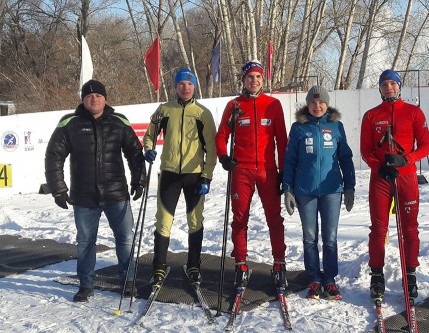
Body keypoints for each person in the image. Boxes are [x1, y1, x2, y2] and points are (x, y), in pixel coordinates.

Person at [45, 79, 146, 302]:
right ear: (83, 99)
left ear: (105, 98)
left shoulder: (118, 121)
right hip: (84, 197)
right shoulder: (69, 123)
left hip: (116, 194)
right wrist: (58, 189)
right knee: (85, 242)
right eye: (89, 96)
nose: (94, 99)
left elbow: (135, 153)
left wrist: (139, 180)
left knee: (125, 239)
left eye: (98, 95)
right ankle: (86, 285)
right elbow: (54, 157)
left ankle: (128, 281)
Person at [215, 60, 288, 289]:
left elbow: (282, 142)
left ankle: (279, 264)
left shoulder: (273, 105)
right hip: (242, 172)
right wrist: (223, 157)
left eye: (258, 77)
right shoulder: (234, 105)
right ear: (243, 80)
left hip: (267, 171)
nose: (254, 81)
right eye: (250, 77)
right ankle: (241, 265)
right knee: (239, 220)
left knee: (274, 220)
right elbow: (221, 136)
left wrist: (284, 173)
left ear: (262, 79)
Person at [360, 69, 429, 300]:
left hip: (406, 177)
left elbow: (425, 146)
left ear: (399, 86)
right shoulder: (371, 115)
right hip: (381, 178)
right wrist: (378, 166)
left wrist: (406, 159)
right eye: (384, 84)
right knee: (378, 229)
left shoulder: (414, 112)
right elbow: (366, 150)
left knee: (410, 228)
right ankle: (377, 275)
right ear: (379, 88)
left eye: (393, 83)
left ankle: (410, 274)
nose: (389, 87)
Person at [143, 68, 216, 287]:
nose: (185, 88)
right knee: (163, 222)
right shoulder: (164, 109)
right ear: (175, 87)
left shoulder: (203, 113)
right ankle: (159, 266)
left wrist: (207, 177)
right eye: (181, 84)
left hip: (194, 176)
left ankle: (194, 265)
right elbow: (150, 135)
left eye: (190, 84)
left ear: (195, 87)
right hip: (169, 174)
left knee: (195, 221)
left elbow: (211, 149)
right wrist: (148, 149)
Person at [282, 86, 355, 301]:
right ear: (307, 104)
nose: (317, 106)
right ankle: (314, 277)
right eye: (313, 103)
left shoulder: (336, 126)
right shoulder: (298, 128)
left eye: (321, 102)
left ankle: (330, 279)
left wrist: (349, 186)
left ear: (327, 103)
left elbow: (345, 158)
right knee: (310, 238)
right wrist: (287, 188)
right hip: (305, 191)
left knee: (330, 238)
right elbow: (290, 160)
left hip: (332, 190)